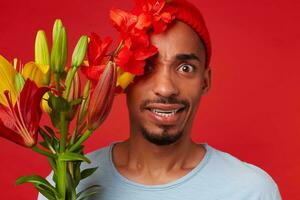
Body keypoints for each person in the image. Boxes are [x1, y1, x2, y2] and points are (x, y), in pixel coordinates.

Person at [39, 0, 281, 199]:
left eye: (185, 67)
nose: (165, 88)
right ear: (121, 76)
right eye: (146, 66)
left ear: (205, 81)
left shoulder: (252, 190)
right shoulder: (65, 181)